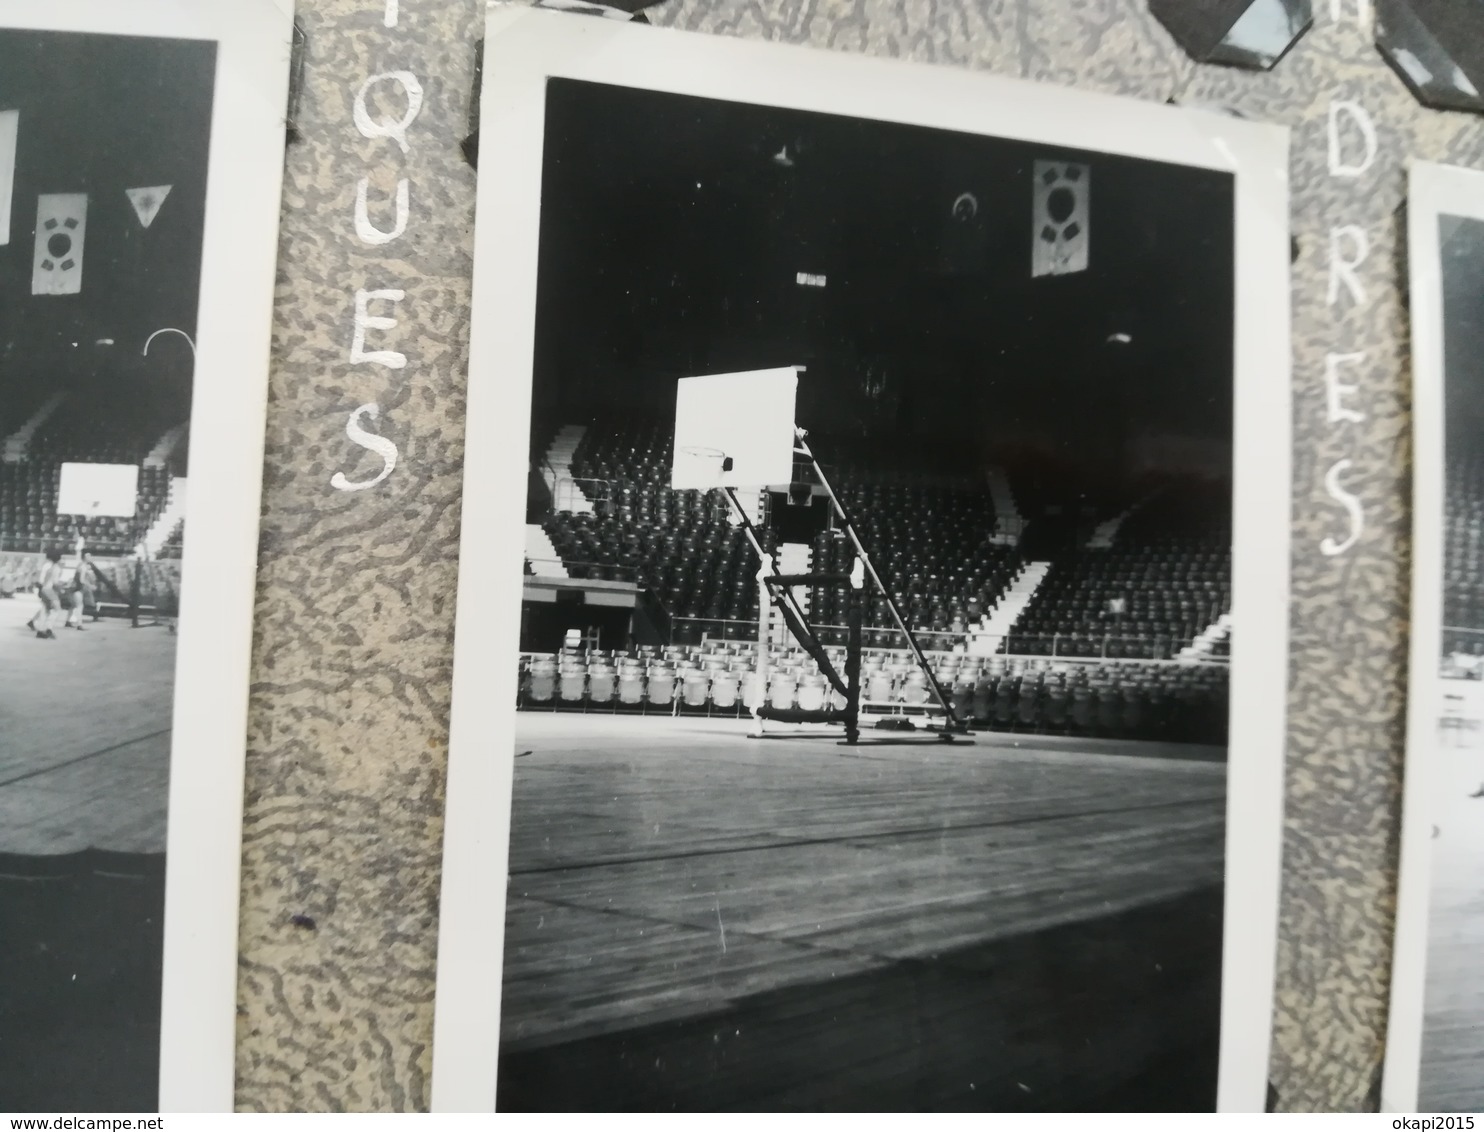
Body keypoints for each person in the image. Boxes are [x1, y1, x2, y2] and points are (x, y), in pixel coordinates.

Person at [27, 547, 63, 639]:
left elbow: (40, 579)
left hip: (42, 588)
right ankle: (49, 628)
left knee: (45, 609)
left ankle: (40, 630)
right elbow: (55, 582)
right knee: (57, 609)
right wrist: (61, 587)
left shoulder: (45, 565)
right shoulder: (55, 567)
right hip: (49, 589)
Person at [64, 548, 95, 630]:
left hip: (74, 588)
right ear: (85, 557)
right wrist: (90, 585)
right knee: (79, 606)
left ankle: (67, 621)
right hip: (78, 588)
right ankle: (79, 624)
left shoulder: (80, 565)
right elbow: (82, 580)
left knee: (73, 605)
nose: (90, 557)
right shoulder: (84, 567)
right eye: (89, 556)